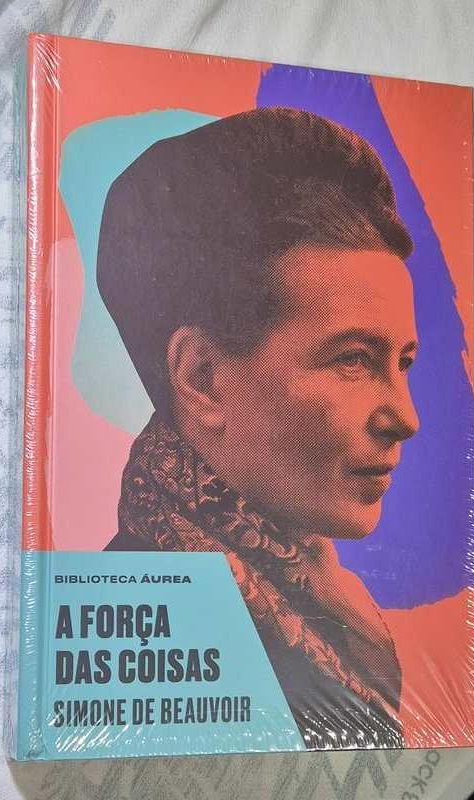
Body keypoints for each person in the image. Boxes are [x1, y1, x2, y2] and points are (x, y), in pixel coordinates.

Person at [96, 107, 420, 749]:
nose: (405, 418)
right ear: (202, 379)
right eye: (354, 360)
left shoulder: (327, 604)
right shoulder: (151, 634)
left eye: (402, 363)